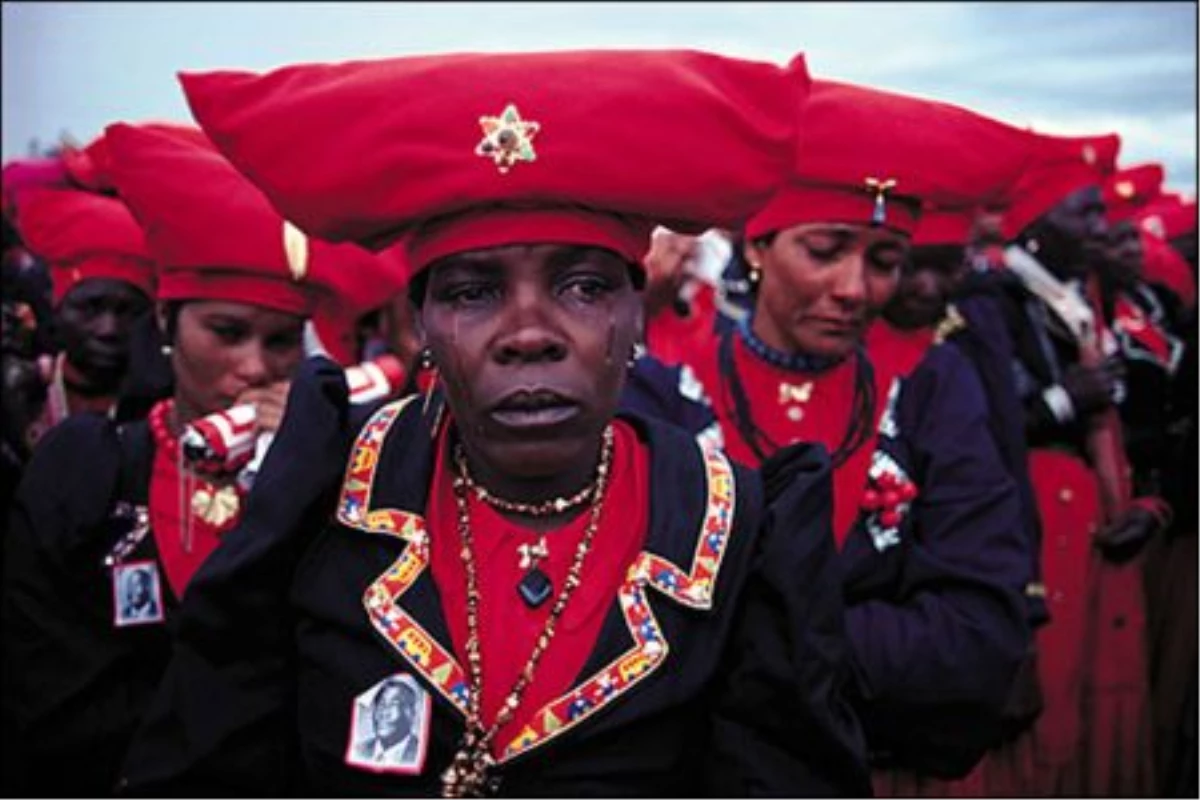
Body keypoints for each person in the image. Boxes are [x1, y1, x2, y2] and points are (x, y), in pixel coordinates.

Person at [118, 49, 870, 797]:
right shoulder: (324, 493)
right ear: (420, 327)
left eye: (581, 286)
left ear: (634, 313)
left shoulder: (738, 523)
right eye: (474, 292)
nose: (529, 332)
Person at [628, 79, 1037, 788]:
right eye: (826, 249)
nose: (856, 288)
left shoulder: (933, 388)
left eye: (883, 261)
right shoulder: (664, 390)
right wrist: (858, 634)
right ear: (757, 246)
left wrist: (747, 645)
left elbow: (978, 631)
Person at [0, 121, 374, 797]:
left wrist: (295, 479)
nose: (254, 368)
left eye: (282, 341)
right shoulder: (89, 469)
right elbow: (47, 689)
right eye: (226, 333)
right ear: (168, 326)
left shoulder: (338, 476)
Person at [976, 130, 1160, 795]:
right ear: (1037, 222)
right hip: (1031, 515)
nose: (1098, 227)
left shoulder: (1074, 300)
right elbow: (992, 422)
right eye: (1083, 212)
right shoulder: (997, 300)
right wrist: (1062, 400)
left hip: (1081, 514)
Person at [13, 186, 157, 442]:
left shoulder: (167, 409)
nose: (108, 329)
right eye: (90, 308)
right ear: (56, 307)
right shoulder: (19, 395)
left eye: (129, 312)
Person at [349, 675, 425, 770]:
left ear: (410, 713)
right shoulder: (359, 749)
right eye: (381, 704)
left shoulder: (420, 752)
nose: (383, 713)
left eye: (393, 704)